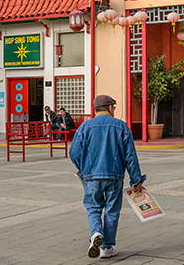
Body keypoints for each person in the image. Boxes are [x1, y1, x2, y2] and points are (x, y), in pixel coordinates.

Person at [70, 95, 145, 260]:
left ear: (95, 109)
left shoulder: (84, 127)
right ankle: (106, 247)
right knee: (112, 211)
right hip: (115, 176)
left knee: (93, 207)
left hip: (91, 177)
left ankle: (96, 232)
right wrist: (136, 180)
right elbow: (131, 157)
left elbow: (74, 153)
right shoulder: (121, 127)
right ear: (110, 108)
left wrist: (82, 168)